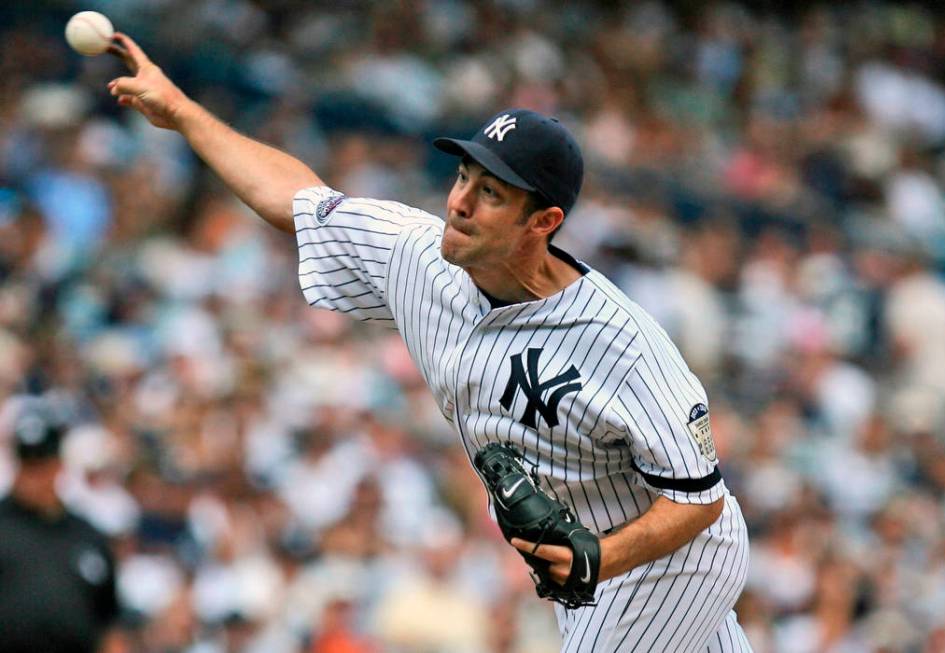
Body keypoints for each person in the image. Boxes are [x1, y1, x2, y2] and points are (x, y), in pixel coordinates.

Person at [105, 32, 752, 652]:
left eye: (491, 193)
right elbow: (294, 199)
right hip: (597, 556)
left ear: (544, 221)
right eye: (463, 176)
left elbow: (699, 498)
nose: (460, 202)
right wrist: (185, 112)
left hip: (666, 558)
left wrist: (601, 557)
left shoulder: (623, 342)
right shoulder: (414, 255)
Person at [0, 399, 121, 653]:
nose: (33, 477)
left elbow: (109, 624)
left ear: (59, 466)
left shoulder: (87, 536)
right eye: (27, 465)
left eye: (41, 465)